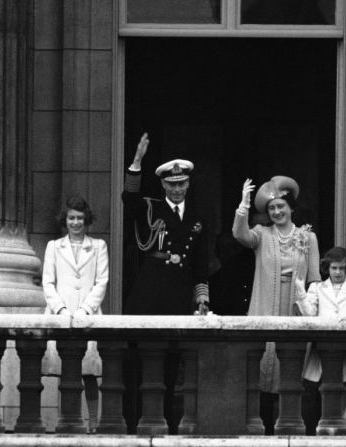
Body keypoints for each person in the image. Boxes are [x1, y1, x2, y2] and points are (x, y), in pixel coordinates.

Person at [121, 132, 210, 433]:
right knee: (139, 362)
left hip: (178, 296)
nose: (177, 189)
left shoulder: (198, 218)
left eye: (182, 183)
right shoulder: (150, 208)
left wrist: (202, 299)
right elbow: (128, 199)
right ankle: (134, 423)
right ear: (163, 185)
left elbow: (200, 265)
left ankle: (169, 426)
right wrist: (136, 162)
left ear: (188, 183)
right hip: (148, 292)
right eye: (171, 184)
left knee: (173, 364)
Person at [232, 176, 321, 433]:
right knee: (263, 369)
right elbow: (240, 234)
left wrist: (310, 308)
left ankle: (291, 429)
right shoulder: (262, 234)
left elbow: (315, 279)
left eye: (281, 206)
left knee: (291, 371)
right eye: (272, 208)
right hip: (265, 309)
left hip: (295, 311)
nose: (277, 212)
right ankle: (263, 429)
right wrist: (244, 204)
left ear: (291, 208)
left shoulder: (308, 237)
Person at [41, 195, 109, 433]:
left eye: (80, 218)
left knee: (89, 373)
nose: (76, 222)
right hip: (61, 315)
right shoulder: (54, 247)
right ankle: (66, 421)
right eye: (71, 218)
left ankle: (93, 423)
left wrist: (84, 310)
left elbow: (101, 282)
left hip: (89, 315)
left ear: (86, 219)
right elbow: (48, 282)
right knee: (65, 372)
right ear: (65, 219)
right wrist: (60, 309)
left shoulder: (99, 246)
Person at [295, 246, 346, 434]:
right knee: (314, 389)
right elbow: (309, 314)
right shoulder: (317, 288)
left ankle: (337, 424)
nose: (337, 272)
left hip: (344, 347)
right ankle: (316, 429)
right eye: (334, 268)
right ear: (328, 268)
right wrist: (300, 291)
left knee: (340, 387)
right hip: (321, 347)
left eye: (342, 268)